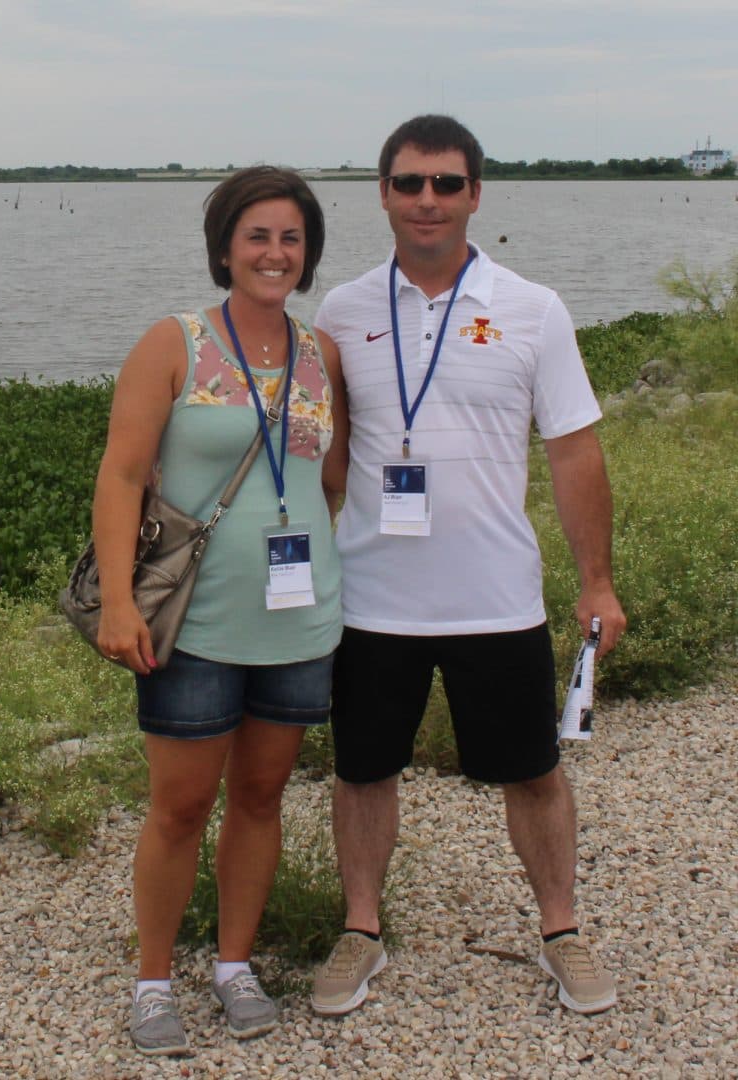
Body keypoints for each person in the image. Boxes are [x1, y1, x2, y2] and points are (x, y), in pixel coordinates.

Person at [312, 115, 627, 1018]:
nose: (428, 201)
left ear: (476, 195)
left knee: (534, 771)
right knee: (364, 770)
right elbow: (329, 460)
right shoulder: (342, 311)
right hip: (372, 600)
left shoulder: (533, 307)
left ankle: (561, 931)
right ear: (382, 193)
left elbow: (574, 453)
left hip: (497, 596)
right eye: (409, 183)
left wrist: (596, 582)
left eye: (448, 184)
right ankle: (361, 931)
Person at [91, 167, 344, 1055]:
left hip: (298, 622)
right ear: (225, 247)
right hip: (194, 626)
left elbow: (329, 480)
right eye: (257, 236)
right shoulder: (176, 341)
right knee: (179, 807)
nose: (275, 254)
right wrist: (121, 601)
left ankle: (234, 964)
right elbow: (121, 476)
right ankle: (153, 980)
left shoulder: (321, 354)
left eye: (290, 238)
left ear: (307, 252)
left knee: (264, 795)